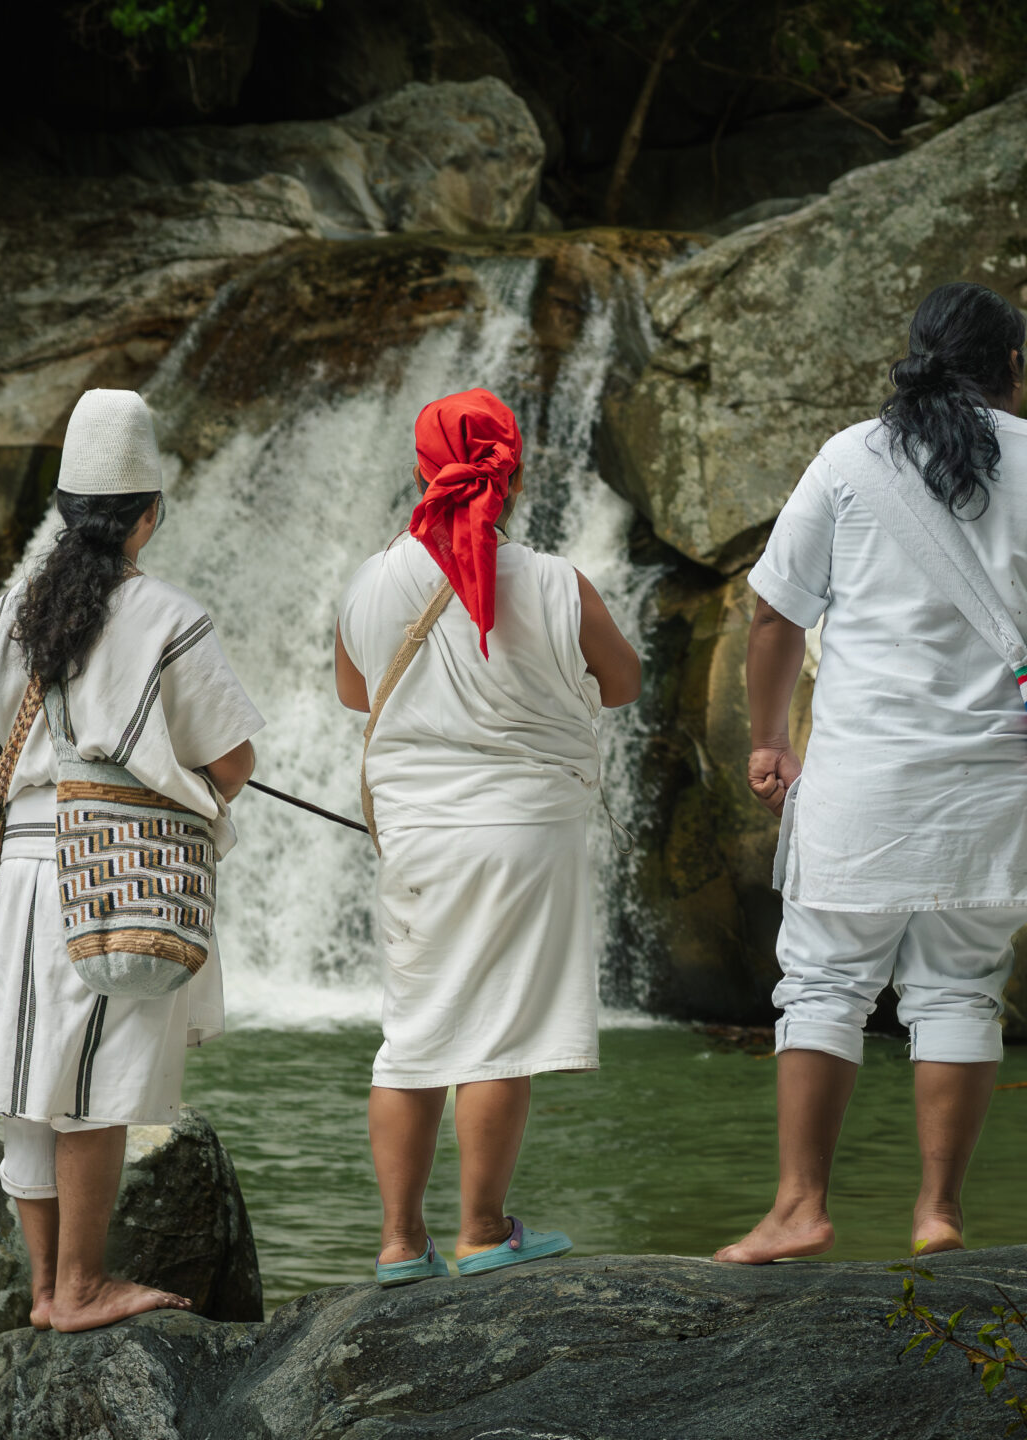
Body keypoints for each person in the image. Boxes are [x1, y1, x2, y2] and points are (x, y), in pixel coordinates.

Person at [714, 282, 1027, 1265]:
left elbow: (777, 614)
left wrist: (771, 739)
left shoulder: (848, 459)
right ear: (1013, 371)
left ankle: (798, 1209)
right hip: (995, 786)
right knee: (958, 991)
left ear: (916, 356)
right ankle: (937, 1213)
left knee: (823, 985)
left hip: (862, 780)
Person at [0, 388, 264, 1329]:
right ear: (146, 518)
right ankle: (86, 1285)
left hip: (21, 865)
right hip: (118, 866)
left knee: (32, 1068)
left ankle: (50, 1287)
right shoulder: (168, 616)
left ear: (64, 514)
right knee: (94, 1074)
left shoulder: (7, 613)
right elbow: (234, 761)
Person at [333, 388, 642, 1284]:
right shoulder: (553, 580)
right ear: (509, 471)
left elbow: (357, 696)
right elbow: (620, 684)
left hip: (419, 835)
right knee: (498, 1031)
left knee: (415, 1030)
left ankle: (399, 1244)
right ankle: (481, 1231)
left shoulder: (370, 580)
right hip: (526, 834)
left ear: (424, 468)